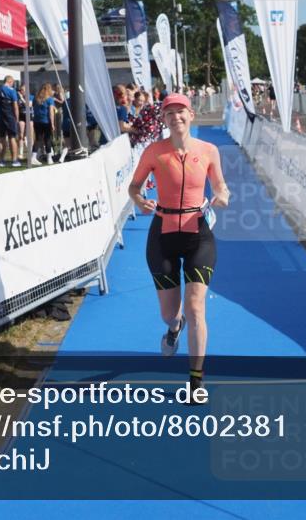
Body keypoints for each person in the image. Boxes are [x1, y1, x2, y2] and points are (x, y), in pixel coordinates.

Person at [127, 93, 230, 396]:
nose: (176, 117)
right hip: (163, 236)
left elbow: (221, 185)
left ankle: (196, 379)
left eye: (180, 112)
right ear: (163, 119)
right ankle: (174, 328)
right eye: (169, 113)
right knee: (170, 313)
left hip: (198, 234)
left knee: (196, 305)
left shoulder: (209, 150)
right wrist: (139, 200)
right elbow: (134, 187)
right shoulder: (154, 152)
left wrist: (222, 195)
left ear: (191, 114)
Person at [0, 75, 21, 167]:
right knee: (12, 138)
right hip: (9, 117)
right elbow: (15, 105)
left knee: (1, 139)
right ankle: (14, 160)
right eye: (13, 82)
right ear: (10, 81)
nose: (13, 84)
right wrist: (17, 118)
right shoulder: (11, 90)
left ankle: (1, 161)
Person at [31, 83, 56, 165]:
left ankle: (33, 157)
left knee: (37, 139)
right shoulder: (50, 99)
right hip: (46, 121)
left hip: (37, 121)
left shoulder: (36, 98)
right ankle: (49, 158)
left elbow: (33, 109)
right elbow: (51, 112)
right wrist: (52, 124)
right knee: (47, 139)